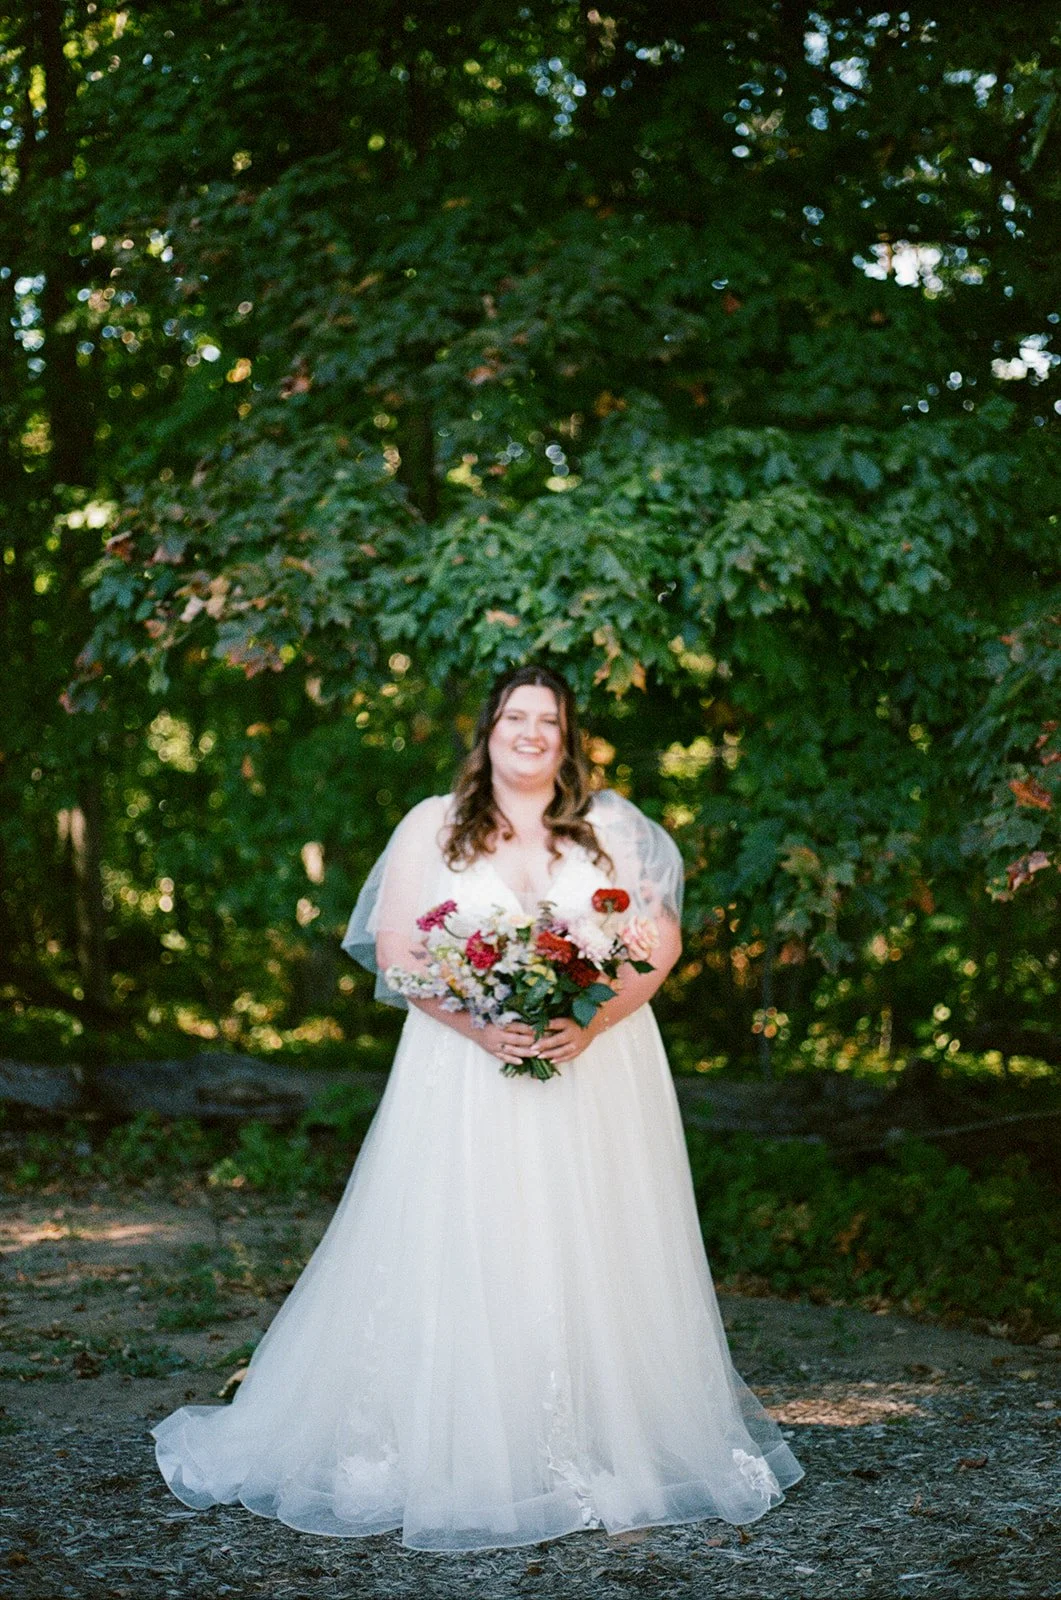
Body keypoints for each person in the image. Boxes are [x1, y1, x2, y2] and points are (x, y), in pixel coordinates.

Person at [150, 663, 803, 1551]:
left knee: (594, 1234)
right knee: (468, 1229)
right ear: (488, 732)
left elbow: (658, 941)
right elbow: (395, 949)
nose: (530, 733)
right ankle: (466, 1441)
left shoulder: (610, 828)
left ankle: (603, 1437)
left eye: (549, 720)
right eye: (514, 717)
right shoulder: (434, 825)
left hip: (595, 1066)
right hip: (463, 1067)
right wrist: (479, 1026)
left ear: (567, 740)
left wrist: (592, 1020)